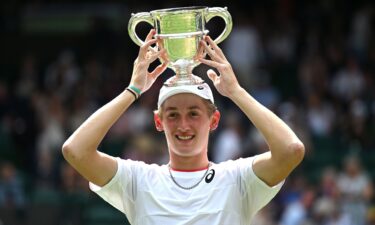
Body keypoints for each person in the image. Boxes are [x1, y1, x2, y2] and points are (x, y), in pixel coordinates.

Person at [62, 29, 305, 224]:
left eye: (193, 113)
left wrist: (237, 92)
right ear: (159, 121)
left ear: (214, 121)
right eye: (173, 115)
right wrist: (132, 91)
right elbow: (76, 151)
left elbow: (291, 150)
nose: (184, 125)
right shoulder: (138, 180)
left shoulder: (238, 178)